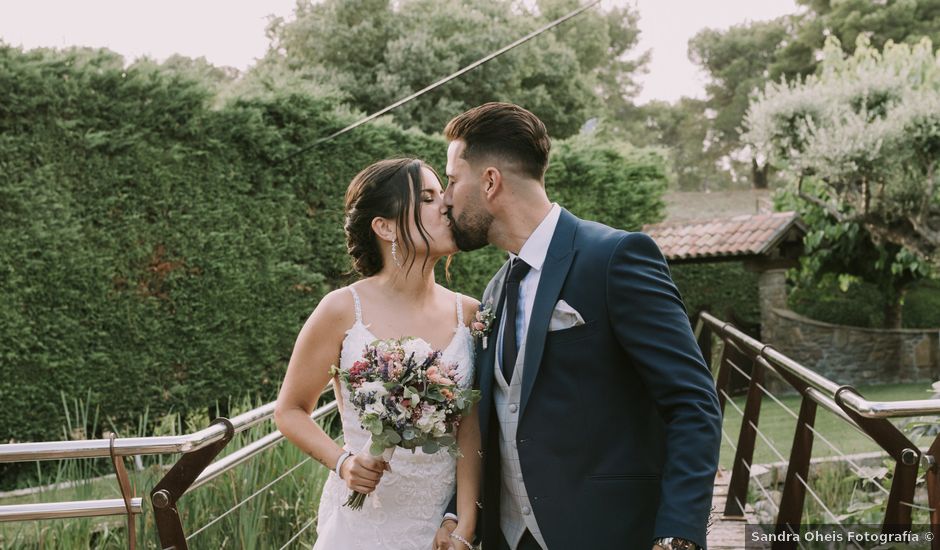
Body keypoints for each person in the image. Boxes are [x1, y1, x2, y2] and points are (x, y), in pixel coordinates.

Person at [435, 102, 722, 550]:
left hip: (607, 532)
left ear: (490, 182)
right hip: (510, 539)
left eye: (452, 180)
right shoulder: (493, 293)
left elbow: (693, 403)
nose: (446, 198)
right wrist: (459, 513)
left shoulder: (615, 258)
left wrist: (678, 533)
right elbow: (494, 420)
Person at [274, 158, 481, 550]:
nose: (446, 205)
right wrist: (344, 463)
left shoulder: (470, 314)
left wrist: (464, 525)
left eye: (443, 193)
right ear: (384, 227)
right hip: (361, 526)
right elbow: (290, 410)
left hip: (439, 530)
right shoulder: (340, 309)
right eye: (427, 198)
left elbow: (470, 431)